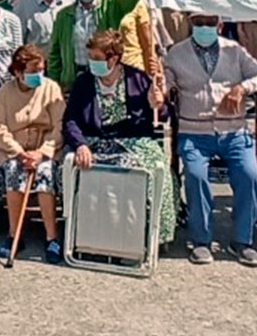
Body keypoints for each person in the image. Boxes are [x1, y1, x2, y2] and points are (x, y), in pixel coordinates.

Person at [165, 12, 257, 266]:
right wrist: (161, 86)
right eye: (199, 23)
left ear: (220, 24)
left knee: (250, 174)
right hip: (195, 131)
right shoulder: (176, 53)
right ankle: (201, 240)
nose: (204, 27)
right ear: (191, 23)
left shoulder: (235, 50)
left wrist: (243, 88)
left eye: (210, 23)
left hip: (233, 131)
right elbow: (166, 84)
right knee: (195, 174)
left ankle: (243, 241)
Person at [62, 30, 176, 248]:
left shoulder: (138, 79)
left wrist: (158, 103)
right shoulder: (84, 82)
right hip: (94, 140)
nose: (92, 63)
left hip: (132, 140)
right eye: (90, 58)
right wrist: (80, 144)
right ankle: (86, 234)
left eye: (96, 59)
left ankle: (151, 235)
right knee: (70, 168)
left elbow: (161, 116)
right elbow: (70, 120)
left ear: (113, 58)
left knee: (155, 169)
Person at [0, 44, 65, 262]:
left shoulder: (51, 88)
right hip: (15, 150)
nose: (38, 75)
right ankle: (14, 234)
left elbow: (59, 125)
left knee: (45, 175)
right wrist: (19, 153)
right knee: (14, 173)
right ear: (18, 72)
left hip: (45, 150)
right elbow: (0, 127)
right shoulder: (5, 91)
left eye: (40, 70)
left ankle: (52, 237)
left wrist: (41, 153)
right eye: (32, 71)